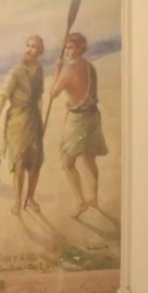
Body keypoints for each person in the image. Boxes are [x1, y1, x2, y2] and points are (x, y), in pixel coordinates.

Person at [50, 32, 108, 218]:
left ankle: (80, 202)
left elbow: (53, 93)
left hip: (78, 120)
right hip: (92, 116)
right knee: (89, 158)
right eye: (65, 47)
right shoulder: (90, 67)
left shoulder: (68, 71)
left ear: (80, 48)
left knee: (67, 162)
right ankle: (94, 198)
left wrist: (57, 70)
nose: (67, 51)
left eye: (71, 47)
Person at [0, 35, 46, 215]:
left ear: (39, 52)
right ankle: (17, 201)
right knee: (19, 162)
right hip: (17, 120)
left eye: (33, 48)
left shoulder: (40, 71)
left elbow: (39, 98)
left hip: (34, 120)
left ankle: (30, 198)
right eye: (28, 46)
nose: (29, 50)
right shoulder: (15, 72)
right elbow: (2, 96)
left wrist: (41, 119)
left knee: (36, 162)